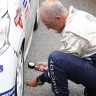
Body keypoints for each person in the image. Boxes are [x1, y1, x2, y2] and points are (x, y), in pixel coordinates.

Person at [25, 0, 96, 96]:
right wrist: (50, 65)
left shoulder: (72, 31)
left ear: (58, 18)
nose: (48, 28)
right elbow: (66, 62)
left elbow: (59, 62)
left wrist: (39, 80)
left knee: (55, 58)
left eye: (48, 24)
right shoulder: (78, 15)